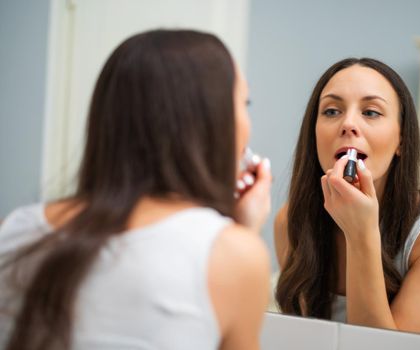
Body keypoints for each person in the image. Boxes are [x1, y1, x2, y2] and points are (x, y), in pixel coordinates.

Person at [0, 29, 272, 350]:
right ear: (213, 122)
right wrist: (240, 235)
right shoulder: (236, 256)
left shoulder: (18, 228)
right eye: (245, 102)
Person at [273, 58, 420, 340]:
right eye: (331, 110)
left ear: (401, 139)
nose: (348, 124)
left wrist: (360, 233)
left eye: (370, 112)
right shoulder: (290, 222)